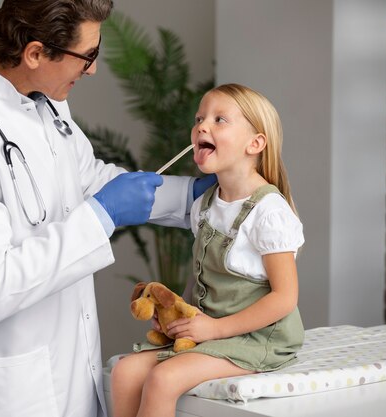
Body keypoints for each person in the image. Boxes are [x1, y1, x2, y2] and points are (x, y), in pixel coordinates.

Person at [0, 1, 215, 416]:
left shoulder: (42, 100)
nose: (92, 70)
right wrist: (102, 215)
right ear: (34, 53)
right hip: (10, 390)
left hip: (70, 361)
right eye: (88, 56)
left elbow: (84, 178)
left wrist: (194, 197)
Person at [110, 83, 305, 417]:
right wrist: (181, 316)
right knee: (124, 372)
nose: (202, 126)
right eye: (200, 119)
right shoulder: (204, 204)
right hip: (211, 329)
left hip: (257, 338)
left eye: (219, 120)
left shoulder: (269, 212)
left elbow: (285, 298)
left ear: (255, 143)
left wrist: (213, 329)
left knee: (164, 379)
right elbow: (200, 274)